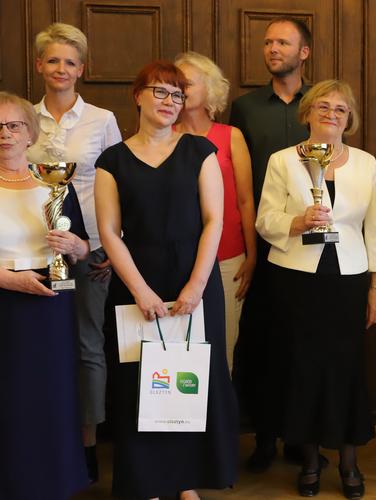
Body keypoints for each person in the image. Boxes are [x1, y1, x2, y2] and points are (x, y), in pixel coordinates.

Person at [95, 61, 238, 499]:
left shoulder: (200, 151)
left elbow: (214, 221)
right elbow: (109, 232)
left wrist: (196, 286)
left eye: (177, 94)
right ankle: (149, 483)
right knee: (143, 385)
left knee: (190, 382)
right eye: (159, 91)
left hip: (194, 280)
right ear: (137, 95)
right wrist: (140, 291)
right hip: (135, 283)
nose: (169, 101)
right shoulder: (112, 160)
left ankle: (185, 481)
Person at [256, 79, 376, 499]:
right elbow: (265, 220)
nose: (331, 114)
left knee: (345, 369)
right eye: (323, 107)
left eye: (340, 109)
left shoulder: (366, 163)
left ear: (349, 119)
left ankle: (350, 462)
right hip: (296, 279)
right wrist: (297, 222)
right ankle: (311, 462)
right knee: (303, 369)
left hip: (349, 279)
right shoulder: (282, 161)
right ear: (308, 113)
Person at [26, 23, 122, 483]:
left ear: (82, 69)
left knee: (88, 346)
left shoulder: (101, 119)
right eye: (53, 60)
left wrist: (112, 246)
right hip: (34, 250)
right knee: (38, 344)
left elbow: (119, 184)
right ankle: (43, 438)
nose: (61, 69)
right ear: (38, 65)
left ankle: (87, 444)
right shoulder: (23, 118)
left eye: (70, 62)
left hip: (91, 250)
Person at [228, 16, 314, 471]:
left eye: (282, 42)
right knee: (260, 341)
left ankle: (300, 437)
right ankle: (263, 437)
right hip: (260, 242)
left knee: (301, 342)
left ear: (304, 52)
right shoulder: (244, 108)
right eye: (267, 42)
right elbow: (236, 179)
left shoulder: (321, 105)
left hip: (310, 242)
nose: (272, 49)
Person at [0, 91, 90, 499]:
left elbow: (83, 247)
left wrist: (74, 247)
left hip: (51, 302)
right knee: (9, 397)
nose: (5, 133)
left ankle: (52, 483)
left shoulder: (56, 182)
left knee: (50, 395)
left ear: (30, 132)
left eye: (14, 125)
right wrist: (8, 281)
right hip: (5, 299)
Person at [174, 51, 256, 374]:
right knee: (181, 348)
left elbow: (245, 201)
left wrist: (251, 256)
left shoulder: (231, 136)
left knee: (224, 346)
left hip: (228, 258)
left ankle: (221, 408)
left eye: (188, 83)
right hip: (178, 258)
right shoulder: (164, 136)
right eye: (176, 83)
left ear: (209, 89)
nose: (180, 90)